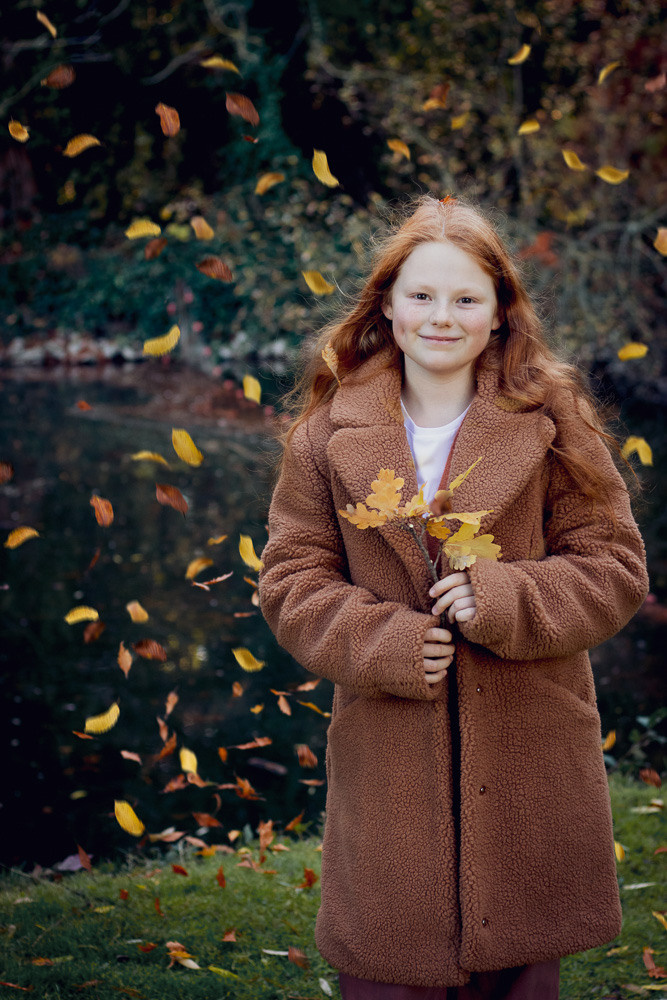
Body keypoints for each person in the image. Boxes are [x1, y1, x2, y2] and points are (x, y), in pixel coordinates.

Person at [258, 194, 649, 999]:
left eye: (467, 298)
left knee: (519, 974)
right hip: (389, 753)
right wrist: (383, 641)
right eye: (422, 295)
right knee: (387, 969)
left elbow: (612, 568)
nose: (443, 316)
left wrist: (504, 598)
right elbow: (291, 578)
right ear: (388, 307)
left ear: (500, 313)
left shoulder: (552, 423)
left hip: (530, 754)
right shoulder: (325, 435)